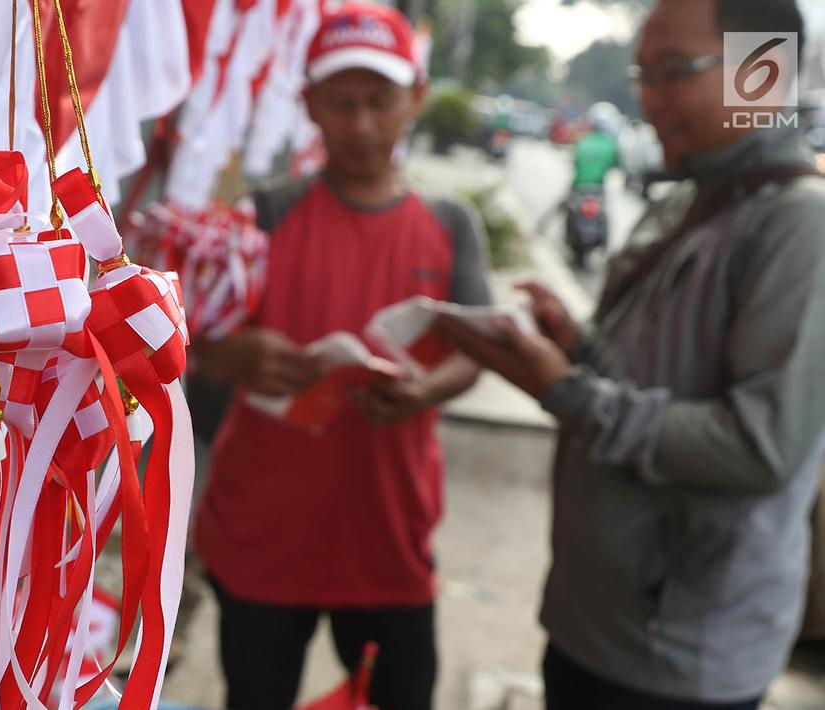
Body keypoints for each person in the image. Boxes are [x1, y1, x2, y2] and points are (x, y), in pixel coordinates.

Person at [435, 1, 825, 708]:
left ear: (763, 72)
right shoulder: (691, 200)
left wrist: (563, 388)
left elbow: (758, 445)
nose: (648, 97)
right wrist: (576, 345)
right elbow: (651, 374)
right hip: (594, 619)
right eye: (643, 74)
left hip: (678, 656)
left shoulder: (800, 225)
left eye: (672, 71)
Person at [191, 5, 492, 709]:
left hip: (388, 537)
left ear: (415, 98)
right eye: (341, 102)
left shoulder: (448, 225)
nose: (361, 124)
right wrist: (233, 355)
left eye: (379, 101)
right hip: (262, 533)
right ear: (308, 105)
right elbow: (192, 343)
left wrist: (422, 391)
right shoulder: (263, 215)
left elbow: (477, 352)